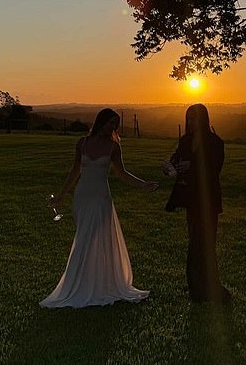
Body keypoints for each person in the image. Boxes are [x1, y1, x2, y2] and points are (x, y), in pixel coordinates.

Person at [40, 108, 158, 309]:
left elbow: (122, 173)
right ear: (100, 122)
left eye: (115, 124)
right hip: (83, 197)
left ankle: (97, 283)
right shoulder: (82, 143)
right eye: (109, 123)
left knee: (95, 239)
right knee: (84, 238)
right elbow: (74, 171)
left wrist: (142, 184)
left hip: (101, 198)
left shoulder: (113, 147)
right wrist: (60, 195)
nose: (112, 127)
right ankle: (82, 282)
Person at [165, 103, 230, 304]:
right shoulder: (185, 140)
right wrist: (171, 166)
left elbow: (212, 171)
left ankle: (207, 288)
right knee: (195, 242)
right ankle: (197, 288)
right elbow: (176, 158)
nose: (191, 122)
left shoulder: (215, 142)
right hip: (191, 199)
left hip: (208, 199)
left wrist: (191, 166)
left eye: (195, 118)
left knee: (205, 244)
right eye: (189, 118)